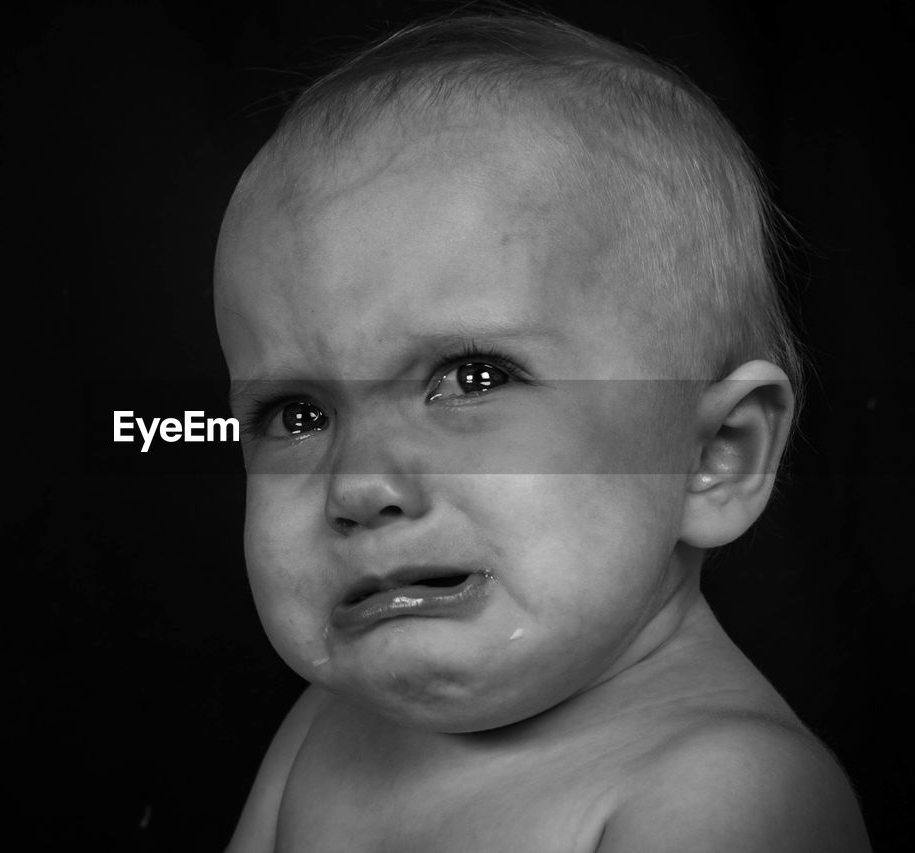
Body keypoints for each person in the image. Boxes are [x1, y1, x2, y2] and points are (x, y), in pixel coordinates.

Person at [212, 12, 870, 852]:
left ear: (715, 455)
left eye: (475, 378)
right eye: (296, 415)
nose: (360, 485)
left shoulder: (722, 793)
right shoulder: (326, 727)